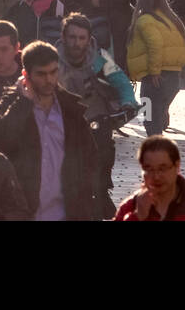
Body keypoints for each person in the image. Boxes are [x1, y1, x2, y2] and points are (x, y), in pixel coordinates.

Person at [0, 40, 98, 220]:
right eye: (41, 74)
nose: (49, 80)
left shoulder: (70, 110)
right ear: (26, 75)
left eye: (53, 72)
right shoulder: (10, 104)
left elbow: (90, 158)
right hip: (22, 213)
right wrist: (24, 103)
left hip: (66, 213)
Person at [57, 12, 138, 218]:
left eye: (81, 38)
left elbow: (120, 79)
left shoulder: (100, 58)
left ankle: (102, 190)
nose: (76, 43)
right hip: (61, 121)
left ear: (89, 39)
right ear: (64, 37)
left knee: (104, 152)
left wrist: (129, 102)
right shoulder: (51, 57)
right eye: (72, 37)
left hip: (94, 117)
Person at [126, 0, 185, 137]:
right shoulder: (171, 19)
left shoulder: (145, 20)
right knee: (157, 116)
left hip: (155, 77)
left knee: (149, 117)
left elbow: (155, 44)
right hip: (173, 76)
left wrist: (154, 72)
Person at [113, 135, 185, 221]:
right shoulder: (131, 206)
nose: (156, 176)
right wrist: (137, 217)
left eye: (163, 168)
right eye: (149, 169)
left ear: (177, 166)